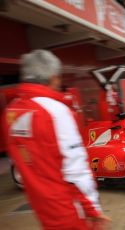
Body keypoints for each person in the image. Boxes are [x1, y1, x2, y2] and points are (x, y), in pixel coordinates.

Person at [3, 50, 111, 229]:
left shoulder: (11, 113)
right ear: (52, 78)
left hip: (42, 208)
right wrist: (93, 210)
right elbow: (76, 170)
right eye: (59, 77)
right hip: (70, 210)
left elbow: (18, 162)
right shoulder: (56, 111)